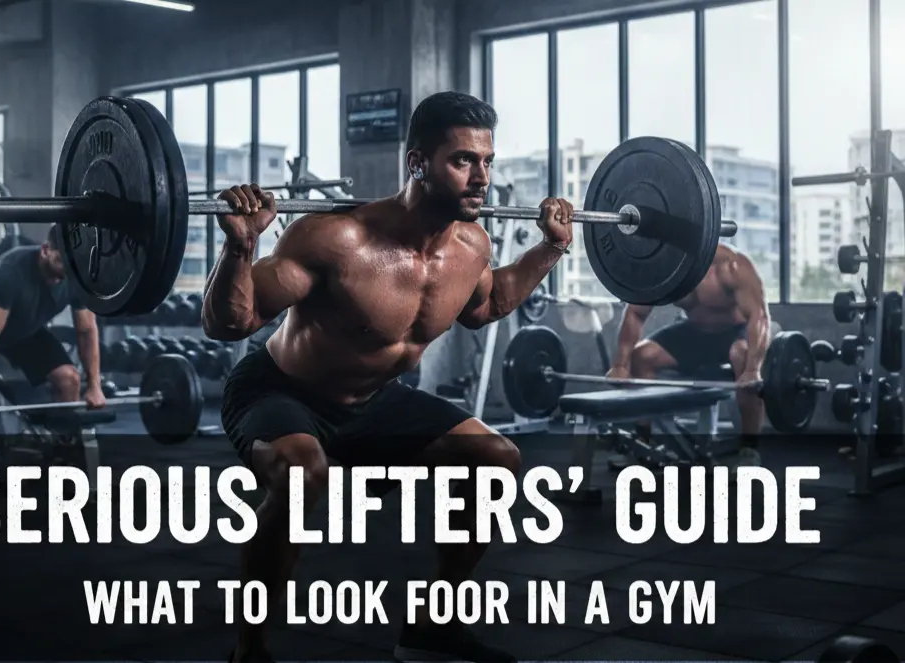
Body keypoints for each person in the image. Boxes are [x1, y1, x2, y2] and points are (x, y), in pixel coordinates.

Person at [204, 91, 574, 663]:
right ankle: (248, 650)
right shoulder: (337, 238)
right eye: (462, 161)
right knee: (303, 473)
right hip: (281, 390)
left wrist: (551, 249)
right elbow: (231, 324)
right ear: (418, 162)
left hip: (374, 400)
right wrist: (241, 247)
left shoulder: (472, 247)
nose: (481, 178)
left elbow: (488, 303)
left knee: (496, 459)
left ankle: (433, 626)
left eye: (487, 161)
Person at [0, 225, 106, 505]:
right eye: (61, 262)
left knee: (69, 379)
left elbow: (86, 330)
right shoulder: (12, 269)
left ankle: (63, 454)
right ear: (45, 251)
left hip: (26, 330)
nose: (65, 272)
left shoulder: (77, 275)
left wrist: (95, 386)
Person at [607, 243, 771, 467]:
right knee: (642, 355)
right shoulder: (664, 268)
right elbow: (635, 313)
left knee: (741, 354)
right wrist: (621, 365)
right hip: (693, 332)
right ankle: (642, 444)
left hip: (733, 333)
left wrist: (753, 368)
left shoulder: (730, 265)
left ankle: (749, 450)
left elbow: (758, 316)